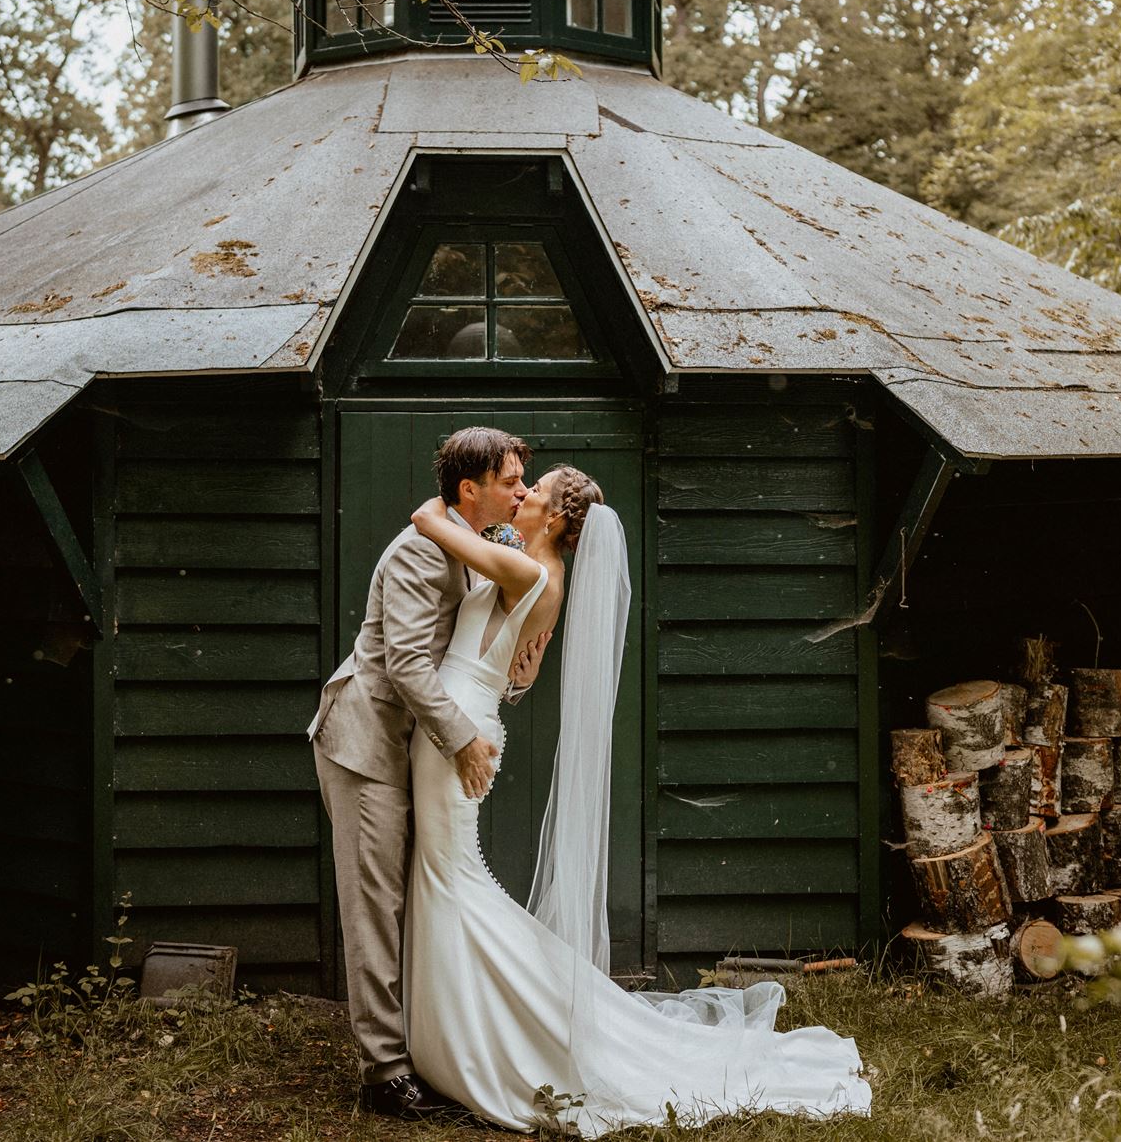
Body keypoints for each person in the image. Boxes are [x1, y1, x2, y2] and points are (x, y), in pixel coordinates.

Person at [400, 465, 875, 1136]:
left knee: (453, 876)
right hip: (465, 714)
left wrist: (448, 506)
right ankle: (476, 1024)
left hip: (459, 728)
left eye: (534, 490)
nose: (523, 492)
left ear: (560, 519)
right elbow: (518, 670)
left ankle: (485, 1037)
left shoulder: (529, 571)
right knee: (451, 874)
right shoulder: (534, 566)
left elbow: (430, 520)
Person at [306, 426, 549, 1119]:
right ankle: (383, 1072)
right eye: (509, 480)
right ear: (468, 488)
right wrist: (465, 738)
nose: (522, 491)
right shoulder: (419, 550)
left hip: (419, 748)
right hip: (368, 743)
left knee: (417, 894)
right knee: (375, 906)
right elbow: (409, 663)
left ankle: (428, 1043)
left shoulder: (484, 546)